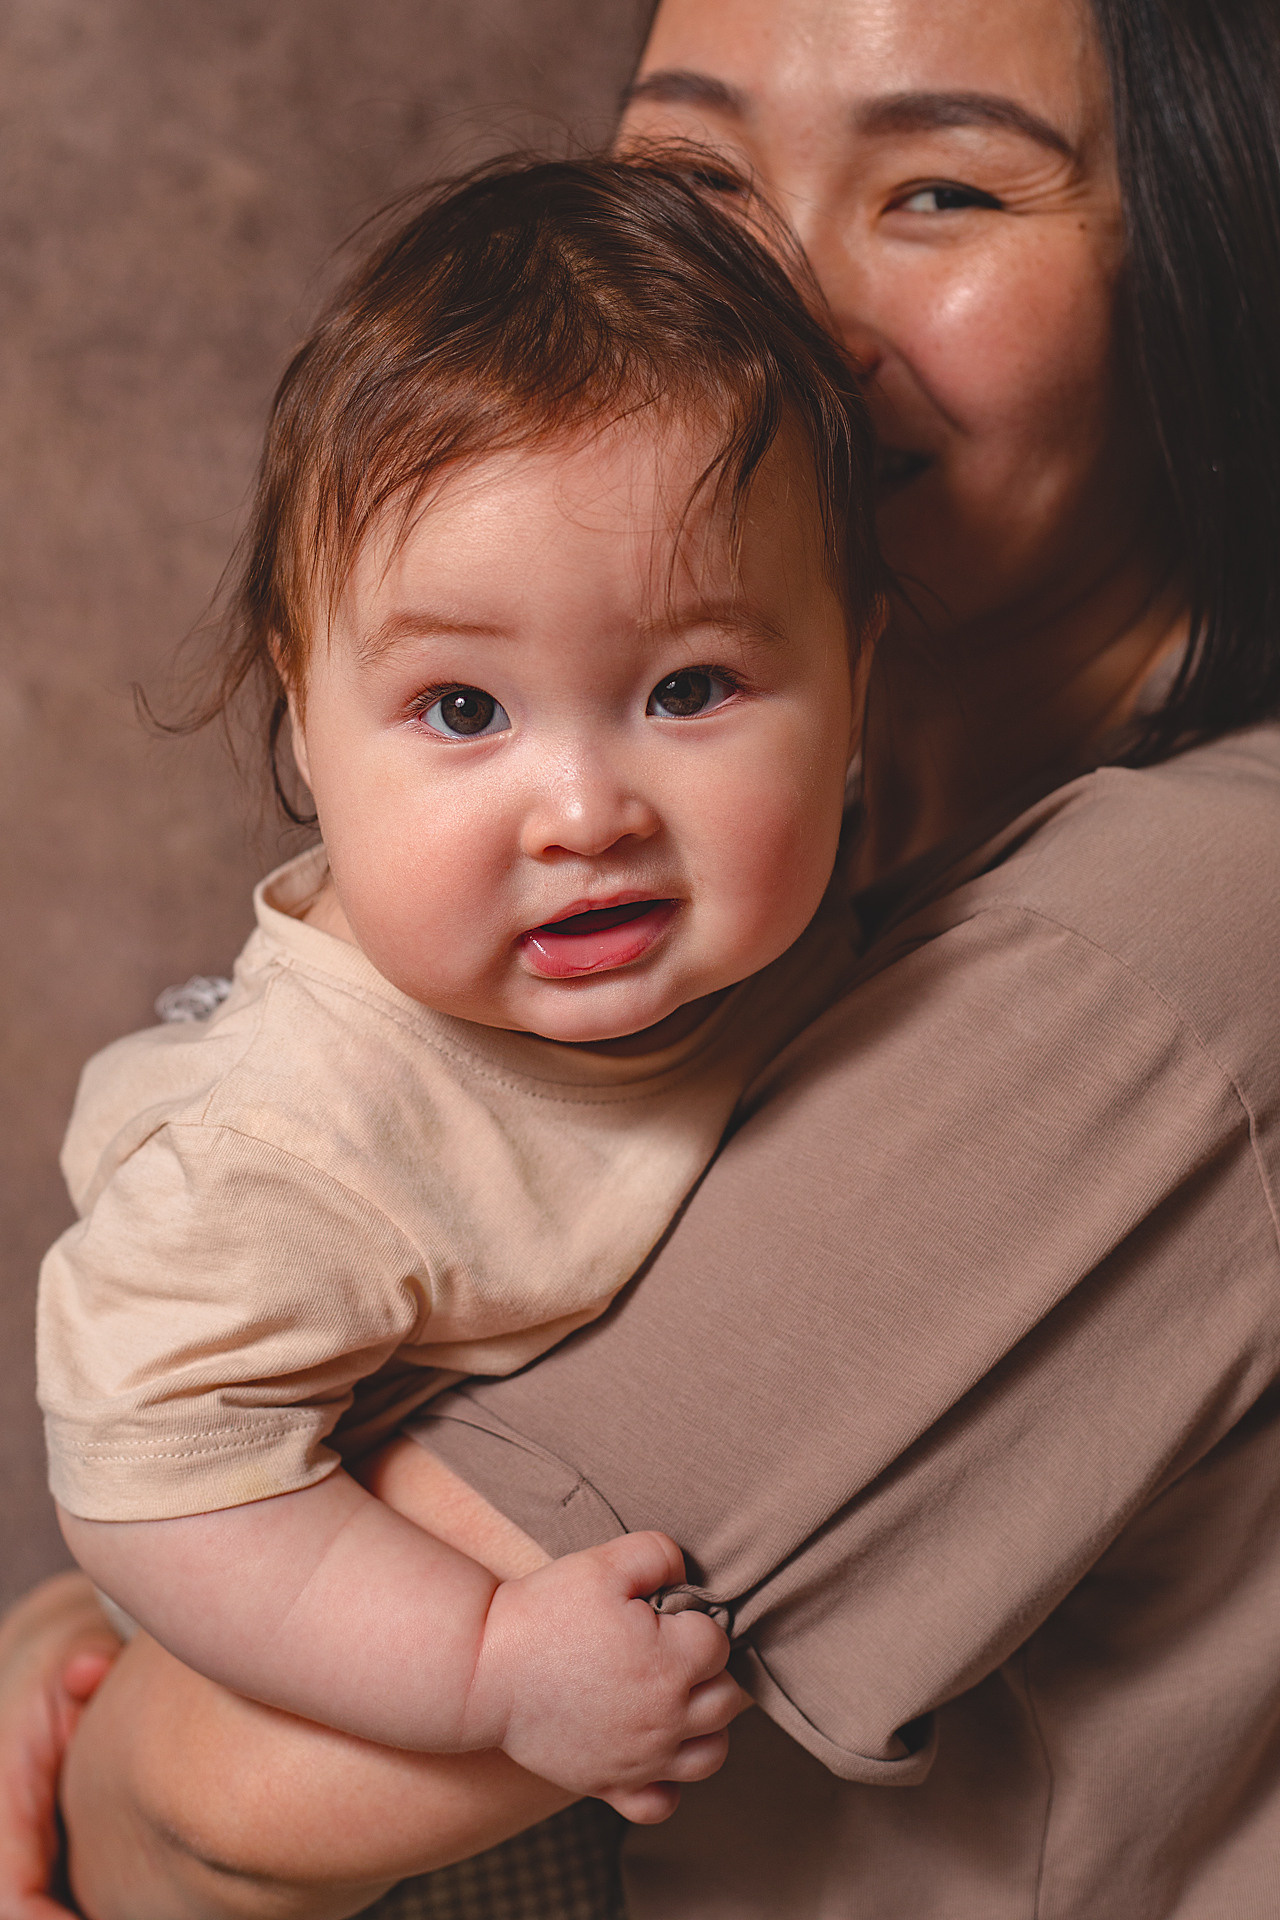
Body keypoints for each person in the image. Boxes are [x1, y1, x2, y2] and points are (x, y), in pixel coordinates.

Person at [7, 0, 1280, 1913]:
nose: (781, 303)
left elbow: (204, 1811)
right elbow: (193, 1438)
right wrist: (102, 1611)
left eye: (938, 188)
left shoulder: (1149, 943)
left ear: (1208, 251)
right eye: (693, 178)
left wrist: (124, 1689)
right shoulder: (789, 865)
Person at [36, 153, 880, 1825]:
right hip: (326, 1654)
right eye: (463, 712)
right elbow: (151, 1490)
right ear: (301, 716)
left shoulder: (870, 916)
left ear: (859, 680)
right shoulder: (286, 1150)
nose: (584, 813)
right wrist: (486, 1659)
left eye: (692, 685)